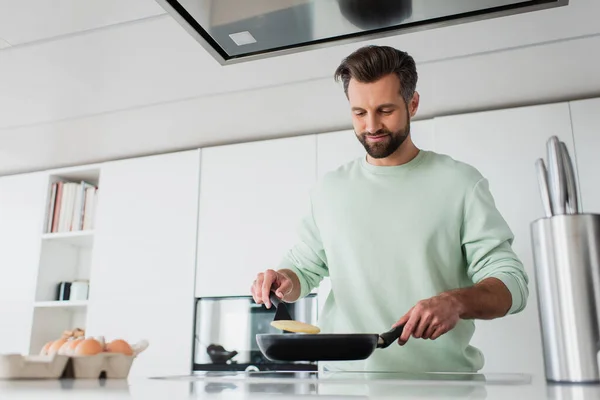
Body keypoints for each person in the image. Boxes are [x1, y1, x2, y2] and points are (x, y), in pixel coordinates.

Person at [250, 45, 529, 373]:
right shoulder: (330, 190)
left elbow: (512, 284)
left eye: (385, 110)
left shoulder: (461, 184)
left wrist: (457, 301)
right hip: (343, 389)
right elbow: (303, 269)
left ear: (412, 103)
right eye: (359, 112)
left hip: (442, 391)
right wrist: (282, 279)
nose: (371, 126)